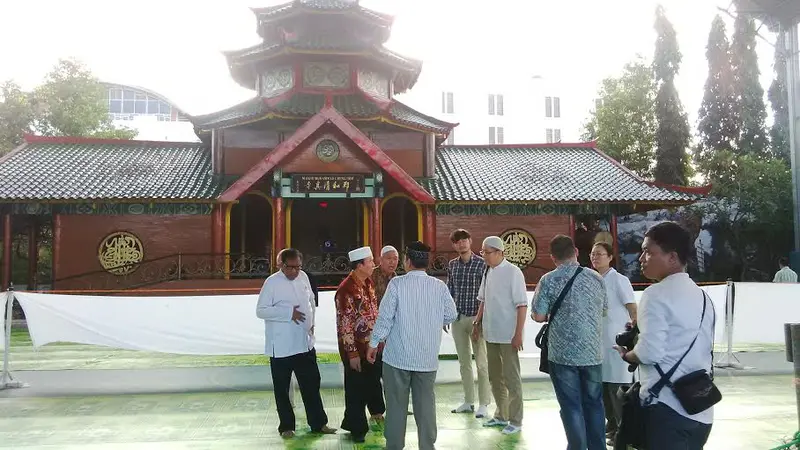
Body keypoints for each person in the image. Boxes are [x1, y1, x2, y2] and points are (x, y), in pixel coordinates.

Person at [614, 222, 715, 449]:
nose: (641, 258)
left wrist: (627, 355)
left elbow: (650, 352)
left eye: (649, 252)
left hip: (667, 409)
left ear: (672, 257)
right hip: (700, 408)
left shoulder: (655, 294)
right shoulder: (704, 298)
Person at [367, 241, 458, 450]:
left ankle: (395, 446)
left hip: (397, 357)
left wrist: (374, 343)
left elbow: (385, 318)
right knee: (426, 407)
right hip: (426, 359)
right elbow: (451, 314)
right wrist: (435, 319)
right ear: (426, 263)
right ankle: (427, 446)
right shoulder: (439, 287)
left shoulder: (397, 284)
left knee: (396, 406)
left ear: (407, 261)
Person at [532, 235, 607, 450]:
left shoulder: (548, 280)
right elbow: (603, 310)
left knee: (571, 406)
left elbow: (538, 315)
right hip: (592, 353)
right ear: (575, 250)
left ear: (552, 257)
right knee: (594, 403)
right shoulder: (596, 278)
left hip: (562, 355)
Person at [255, 248, 337, 439]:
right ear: (280, 265)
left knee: (311, 385)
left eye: (298, 267)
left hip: (304, 343)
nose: (294, 271)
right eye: (290, 267)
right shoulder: (272, 282)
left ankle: (318, 423)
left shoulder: (304, 277)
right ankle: (286, 426)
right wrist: (287, 314)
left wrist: (312, 324)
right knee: (282, 389)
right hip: (281, 347)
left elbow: (310, 302)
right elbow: (261, 311)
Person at [471, 236, 527, 435]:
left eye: (486, 252)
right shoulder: (489, 271)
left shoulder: (513, 272)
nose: (484, 256)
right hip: (490, 333)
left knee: (512, 378)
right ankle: (501, 415)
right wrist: (477, 323)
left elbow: (522, 305)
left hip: (508, 335)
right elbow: (483, 300)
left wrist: (518, 334)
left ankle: (516, 420)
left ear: (499, 252)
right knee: (495, 377)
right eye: (483, 252)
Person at [335, 246, 385, 443]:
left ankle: (352, 421)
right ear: (359, 265)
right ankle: (357, 429)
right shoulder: (346, 290)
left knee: (370, 384)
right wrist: (352, 353)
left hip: (372, 345)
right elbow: (344, 325)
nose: (374, 264)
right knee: (356, 389)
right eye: (370, 261)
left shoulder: (368, 283)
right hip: (356, 348)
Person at [589, 241, 637, 447]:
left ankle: (624, 431)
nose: (595, 257)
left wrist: (634, 333)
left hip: (615, 342)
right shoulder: (591, 279)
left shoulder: (619, 280)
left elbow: (632, 307)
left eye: (600, 254)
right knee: (603, 388)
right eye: (592, 254)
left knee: (617, 388)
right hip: (597, 342)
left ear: (610, 257)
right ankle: (611, 426)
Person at [446, 229, 491, 418]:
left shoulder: (482, 264)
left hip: (476, 319)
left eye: (464, 240)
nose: (461, 244)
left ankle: (484, 403)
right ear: (454, 245)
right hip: (458, 318)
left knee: (481, 363)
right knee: (464, 363)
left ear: (470, 241)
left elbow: (487, 294)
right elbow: (449, 291)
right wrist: (446, 315)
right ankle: (468, 401)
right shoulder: (452, 265)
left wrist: (479, 321)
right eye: (458, 242)